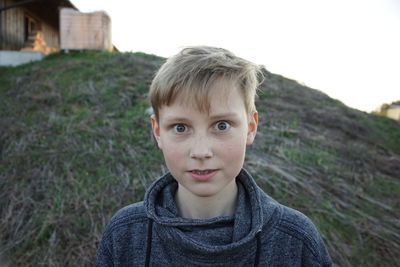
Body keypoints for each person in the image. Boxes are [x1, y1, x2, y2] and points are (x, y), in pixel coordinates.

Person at [95, 46, 332, 266]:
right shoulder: (124, 234)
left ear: (250, 127)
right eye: (180, 127)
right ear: (158, 132)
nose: (201, 152)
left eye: (221, 125)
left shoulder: (296, 239)